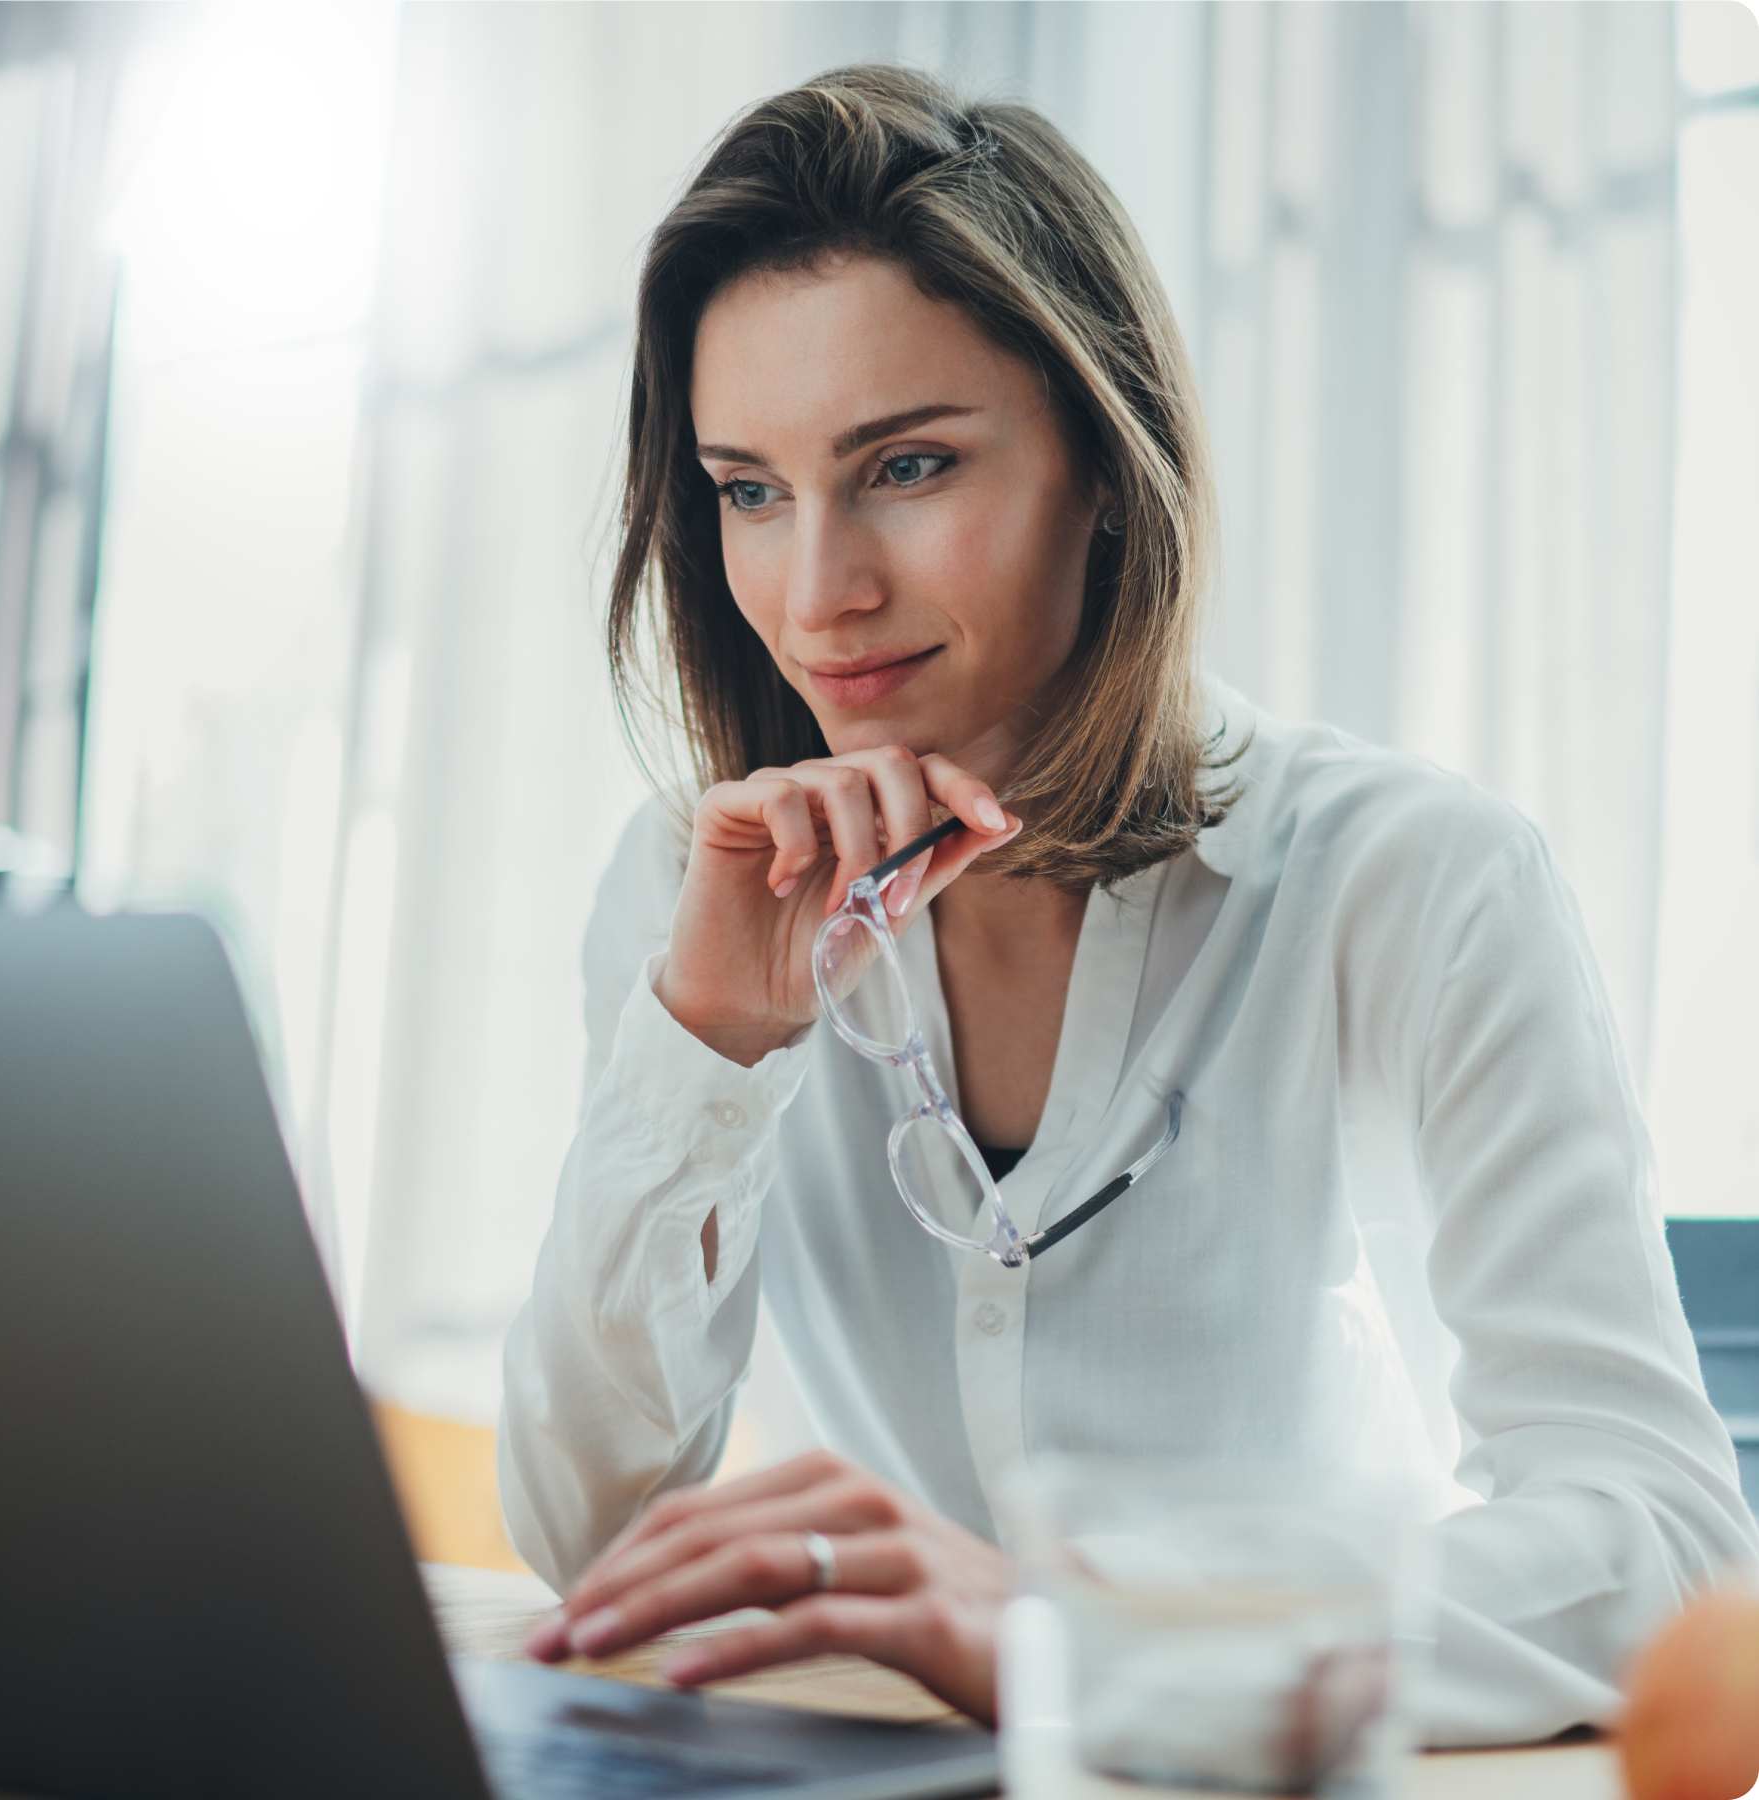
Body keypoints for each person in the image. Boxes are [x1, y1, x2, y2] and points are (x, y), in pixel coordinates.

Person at [498, 65, 1755, 1739]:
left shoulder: (1411, 875)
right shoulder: (697, 891)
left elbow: (1664, 1546)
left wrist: (1083, 1634)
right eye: (749, 490)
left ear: (1105, 458)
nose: (819, 595)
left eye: (911, 465)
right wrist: (710, 1045)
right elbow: (593, 1539)